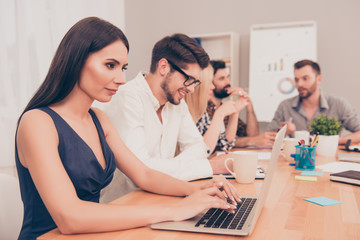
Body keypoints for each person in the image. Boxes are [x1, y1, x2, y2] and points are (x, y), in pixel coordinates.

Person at [15, 17, 240, 240]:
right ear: (77, 60)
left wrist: (196, 191)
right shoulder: (37, 122)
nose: (121, 79)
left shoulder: (98, 118)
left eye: (123, 67)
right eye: (110, 65)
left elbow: (144, 174)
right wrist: (174, 211)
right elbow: (69, 216)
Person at [109, 33, 233, 181]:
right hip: (128, 201)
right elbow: (142, 168)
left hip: (164, 195)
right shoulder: (127, 98)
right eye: (189, 79)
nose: (192, 89)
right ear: (163, 67)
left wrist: (170, 167)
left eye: (195, 82)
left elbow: (198, 147)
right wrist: (209, 167)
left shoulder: (176, 102)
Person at [267, 59, 360, 144]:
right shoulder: (285, 106)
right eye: (296, 79)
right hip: (296, 160)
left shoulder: (338, 104)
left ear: (319, 79)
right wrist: (282, 131)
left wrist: (332, 141)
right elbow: (268, 137)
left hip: (329, 159)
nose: (299, 84)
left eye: (305, 78)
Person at [209, 60, 277, 148]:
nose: (228, 82)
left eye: (228, 77)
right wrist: (252, 141)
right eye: (222, 78)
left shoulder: (225, 107)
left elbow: (252, 135)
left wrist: (248, 105)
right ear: (210, 82)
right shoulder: (203, 108)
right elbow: (218, 142)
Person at [184, 65, 249, 154]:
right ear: (198, 85)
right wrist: (219, 114)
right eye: (209, 82)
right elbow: (202, 151)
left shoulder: (202, 112)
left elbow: (224, 144)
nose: (212, 87)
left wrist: (235, 110)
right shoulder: (184, 111)